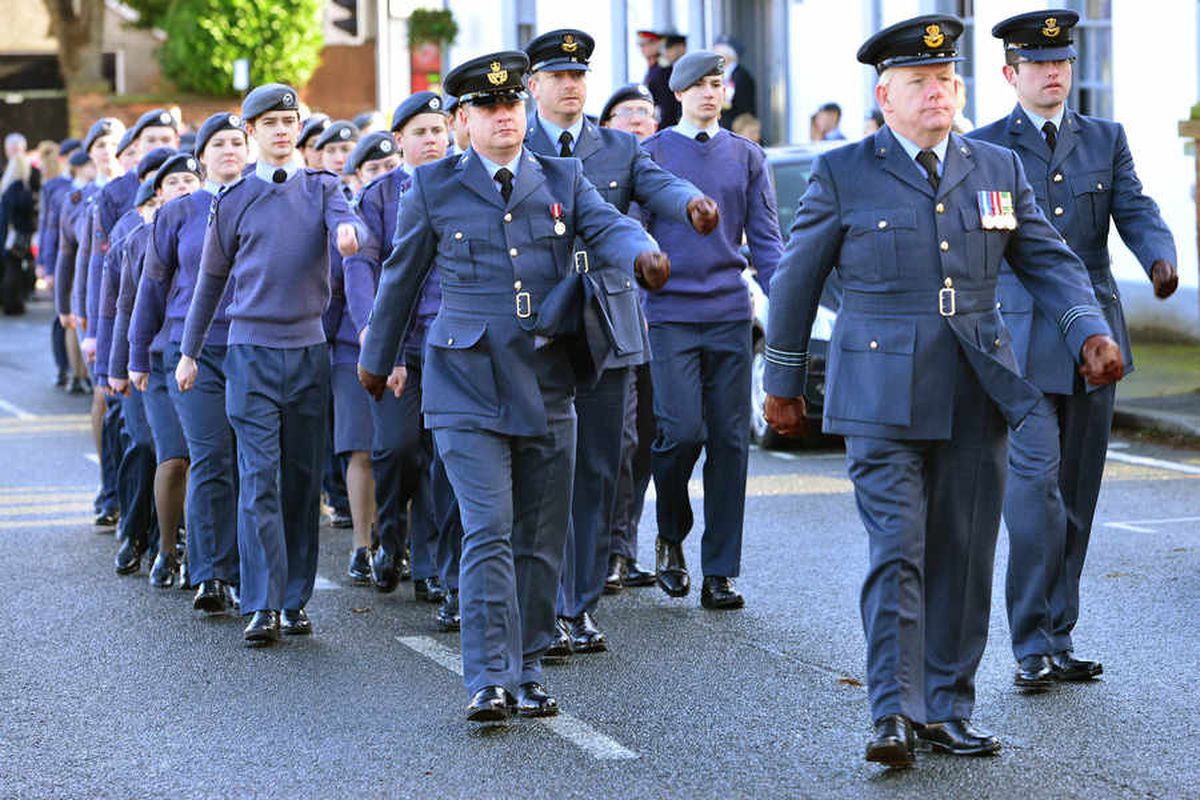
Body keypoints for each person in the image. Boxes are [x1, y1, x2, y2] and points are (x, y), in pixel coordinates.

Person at [762, 14, 1124, 768]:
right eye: (920, 82)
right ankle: (894, 712)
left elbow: (1049, 260)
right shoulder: (844, 172)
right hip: (881, 389)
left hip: (977, 385)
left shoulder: (995, 168)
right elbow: (794, 282)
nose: (937, 93)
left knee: (962, 554)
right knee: (898, 550)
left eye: (946, 80)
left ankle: (947, 708)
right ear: (885, 95)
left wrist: (1086, 327)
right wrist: (785, 383)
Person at [357, 51, 665, 722]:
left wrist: (639, 250)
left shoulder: (563, 174)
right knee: (489, 529)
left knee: (539, 532)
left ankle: (527, 667)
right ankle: (489, 677)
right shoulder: (433, 186)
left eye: (513, 107)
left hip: (547, 374)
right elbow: (402, 278)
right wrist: (375, 360)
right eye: (490, 110)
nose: (505, 119)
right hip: (465, 379)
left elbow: (606, 225)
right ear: (464, 118)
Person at [967, 10, 1178, 691]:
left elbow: (1136, 208)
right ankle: (1029, 642)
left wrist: (1160, 258)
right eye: (1038, 63)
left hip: (1096, 342)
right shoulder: (984, 149)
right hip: (1022, 334)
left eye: (1061, 61)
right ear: (1011, 74)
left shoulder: (1104, 139)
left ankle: (1060, 634)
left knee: (1079, 494)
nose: (1053, 72)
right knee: (1035, 494)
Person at [523, 29, 717, 655]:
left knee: (598, 469)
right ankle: (537, 603)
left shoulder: (616, 148)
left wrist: (693, 206)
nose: (572, 86)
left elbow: (661, 185)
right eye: (559, 77)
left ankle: (576, 605)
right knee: (541, 471)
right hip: (536, 329)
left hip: (606, 324)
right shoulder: (511, 142)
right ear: (534, 87)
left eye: (579, 77)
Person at [176, 83, 367, 646]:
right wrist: (189, 353)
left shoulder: (324, 188)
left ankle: (293, 599)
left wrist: (350, 233)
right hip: (250, 354)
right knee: (258, 477)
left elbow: (346, 222)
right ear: (251, 132)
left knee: (301, 481)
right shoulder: (232, 200)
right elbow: (210, 282)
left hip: (308, 352)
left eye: (290, 121)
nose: (283, 130)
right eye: (271, 123)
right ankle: (260, 602)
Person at [640, 50, 782, 612]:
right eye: (697, 85)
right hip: (670, 314)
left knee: (730, 442)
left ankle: (720, 570)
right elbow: (632, 231)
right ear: (677, 93)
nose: (708, 93)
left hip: (728, 313)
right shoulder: (650, 154)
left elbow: (768, 241)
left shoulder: (747, 156)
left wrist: (785, 304)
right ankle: (671, 533)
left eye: (716, 83)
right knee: (681, 432)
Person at [133, 112, 249, 614]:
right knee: (210, 456)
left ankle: (248, 571)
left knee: (251, 463)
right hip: (190, 351)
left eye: (236, 142)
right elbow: (152, 286)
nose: (229, 150)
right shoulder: (178, 213)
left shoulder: (264, 202)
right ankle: (209, 573)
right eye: (218, 143)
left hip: (253, 345)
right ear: (202, 157)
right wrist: (137, 354)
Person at [344, 95, 453, 612]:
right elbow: (363, 265)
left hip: (451, 341)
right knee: (395, 448)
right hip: (398, 342)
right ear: (401, 140)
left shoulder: (463, 182)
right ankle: (391, 537)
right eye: (421, 132)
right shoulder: (381, 196)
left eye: (439, 129)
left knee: (440, 452)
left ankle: (430, 565)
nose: (432, 140)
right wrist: (373, 334)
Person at [95, 146, 175, 578]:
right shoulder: (127, 242)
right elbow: (114, 311)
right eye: (150, 202)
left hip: (173, 361)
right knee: (144, 444)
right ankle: (133, 530)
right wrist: (114, 369)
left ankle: (173, 539)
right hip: (133, 362)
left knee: (176, 453)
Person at [125, 154, 204, 587]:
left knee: (203, 459)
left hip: (202, 357)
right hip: (160, 360)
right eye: (174, 182)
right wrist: (133, 358)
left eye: (190, 179)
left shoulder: (212, 230)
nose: (183, 188)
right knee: (173, 457)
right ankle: (167, 547)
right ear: (159, 192)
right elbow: (132, 305)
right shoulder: (143, 239)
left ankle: (201, 549)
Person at [37, 138, 81, 386]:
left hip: (80, 259)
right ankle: (63, 368)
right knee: (61, 315)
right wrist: (45, 263)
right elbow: (47, 227)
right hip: (61, 258)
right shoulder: (55, 187)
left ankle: (81, 371)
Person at [1, 140, 38, 315]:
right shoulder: (19, 189)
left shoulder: (8, 188)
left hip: (9, 235)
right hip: (16, 236)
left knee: (12, 269)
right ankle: (12, 304)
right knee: (14, 270)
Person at [639, 28, 686, 129]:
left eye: (645, 44)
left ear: (657, 44)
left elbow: (667, 104)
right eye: (640, 45)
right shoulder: (653, 68)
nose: (642, 48)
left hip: (664, 125)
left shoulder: (664, 69)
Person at [714, 38, 757, 130]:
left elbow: (743, 106)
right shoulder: (722, 74)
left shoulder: (741, 76)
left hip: (738, 127)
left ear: (727, 55)